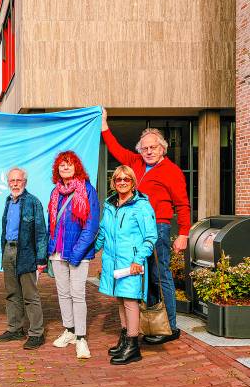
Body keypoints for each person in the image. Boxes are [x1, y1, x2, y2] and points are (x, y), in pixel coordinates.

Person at [101, 109, 191, 343]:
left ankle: (169, 327)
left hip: (158, 229)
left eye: (153, 147)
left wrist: (183, 233)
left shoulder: (172, 172)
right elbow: (115, 148)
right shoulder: (135, 163)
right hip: (134, 231)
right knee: (140, 277)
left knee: (160, 277)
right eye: (145, 148)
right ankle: (147, 324)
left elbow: (182, 204)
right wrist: (104, 124)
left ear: (162, 148)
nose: (149, 151)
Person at [96, 166, 158, 364]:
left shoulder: (142, 206)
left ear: (133, 182)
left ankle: (133, 346)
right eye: (118, 179)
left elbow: (150, 237)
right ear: (113, 182)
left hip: (132, 264)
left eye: (126, 179)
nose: (122, 182)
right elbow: (103, 233)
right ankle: (125, 340)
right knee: (121, 300)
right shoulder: (109, 204)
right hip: (113, 263)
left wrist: (138, 260)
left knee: (131, 301)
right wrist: (89, 252)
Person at [46, 151, 99, 359]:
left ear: (76, 166)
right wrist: (50, 249)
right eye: (61, 165)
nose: (65, 168)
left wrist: (76, 252)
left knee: (78, 294)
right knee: (63, 293)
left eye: (68, 164)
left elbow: (91, 225)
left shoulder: (87, 190)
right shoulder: (55, 192)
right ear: (57, 170)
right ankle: (69, 330)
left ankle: (81, 337)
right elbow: (52, 223)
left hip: (78, 252)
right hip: (57, 251)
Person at [0, 167, 48, 350]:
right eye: (12, 181)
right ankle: (15, 328)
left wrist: (41, 259)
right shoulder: (8, 201)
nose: (15, 184)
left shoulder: (33, 202)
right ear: (8, 183)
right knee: (12, 294)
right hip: (8, 251)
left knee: (30, 295)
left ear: (25, 182)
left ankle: (36, 333)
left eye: (18, 180)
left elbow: (41, 232)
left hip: (26, 253)